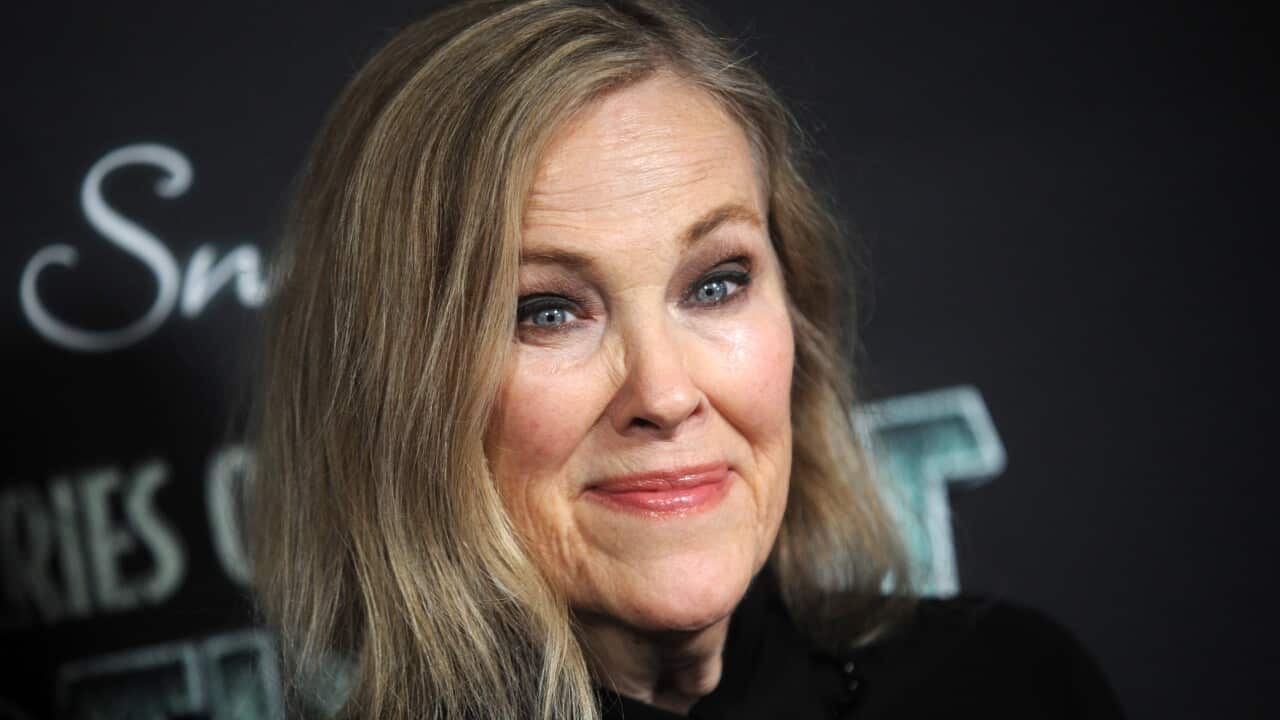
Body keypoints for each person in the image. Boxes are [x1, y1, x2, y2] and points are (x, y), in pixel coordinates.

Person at [248, 1, 1125, 718]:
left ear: (797, 309)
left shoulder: (1011, 685)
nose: (664, 395)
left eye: (715, 285)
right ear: (401, 389)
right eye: (547, 311)